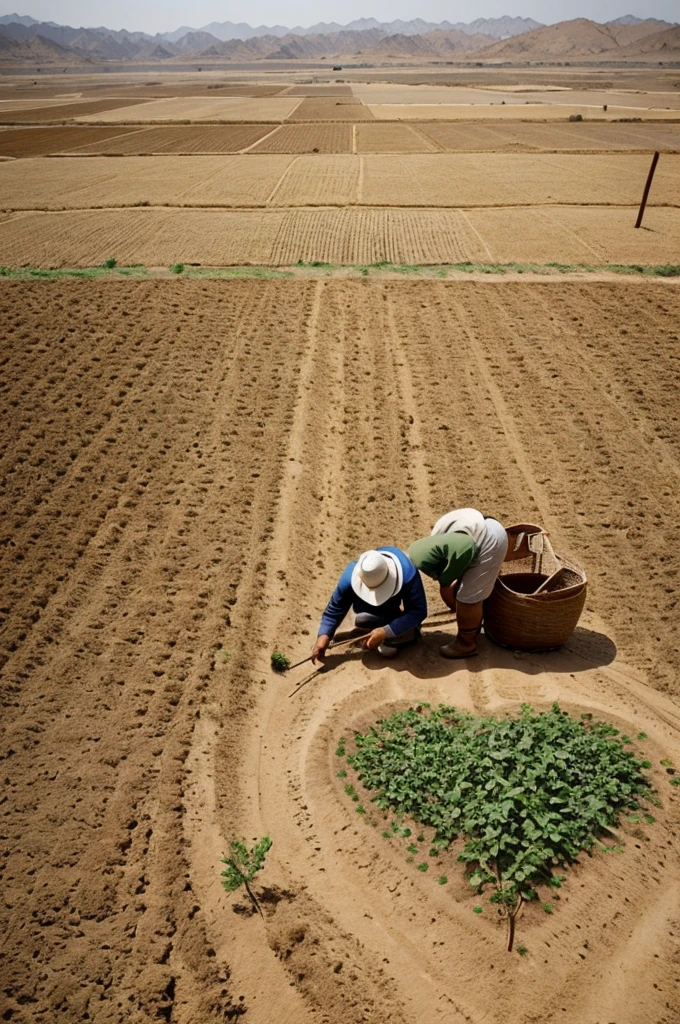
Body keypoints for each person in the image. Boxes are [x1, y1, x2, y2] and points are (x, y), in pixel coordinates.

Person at [408, 508, 511, 660]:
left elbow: (451, 577)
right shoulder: (432, 547)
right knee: (467, 590)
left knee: (467, 598)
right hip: (489, 527)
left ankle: (466, 644)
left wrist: (451, 593)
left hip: (489, 542)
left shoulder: (448, 553)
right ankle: (472, 622)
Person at [311, 547, 427, 664]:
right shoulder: (350, 576)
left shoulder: (408, 572)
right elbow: (334, 609)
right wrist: (324, 635)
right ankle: (380, 628)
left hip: (394, 605)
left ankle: (402, 631)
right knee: (363, 619)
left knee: (391, 646)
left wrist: (386, 631)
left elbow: (418, 611)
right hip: (370, 608)